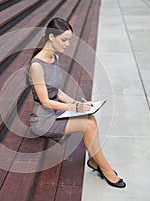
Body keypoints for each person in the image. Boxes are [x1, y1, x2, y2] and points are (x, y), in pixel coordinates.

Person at [27, 17, 126, 188]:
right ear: (51, 37)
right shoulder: (36, 65)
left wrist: (78, 104)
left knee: (90, 119)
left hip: (54, 112)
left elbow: (55, 91)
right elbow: (46, 102)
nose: (67, 44)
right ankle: (106, 169)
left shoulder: (54, 58)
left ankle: (95, 163)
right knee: (87, 125)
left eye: (69, 40)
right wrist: (74, 107)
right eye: (64, 40)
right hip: (43, 120)